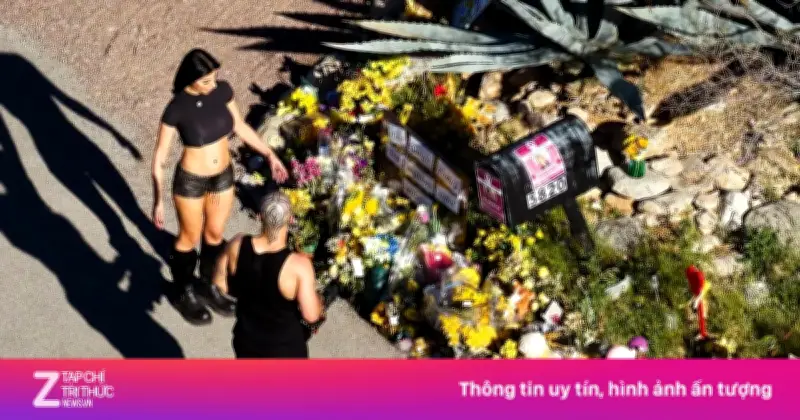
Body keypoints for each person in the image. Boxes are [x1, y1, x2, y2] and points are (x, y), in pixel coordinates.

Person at [151, 48, 289, 325]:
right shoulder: (177, 108)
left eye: (214, 77)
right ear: (189, 80)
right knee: (188, 238)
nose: (212, 85)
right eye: (206, 81)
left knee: (214, 234)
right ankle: (183, 291)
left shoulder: (223, 91)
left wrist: (269, 154)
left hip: (223, 176)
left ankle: (208, 284)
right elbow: (160, 157)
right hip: (191, 180)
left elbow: (240, 126)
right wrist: (158, 200)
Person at [213, 191, 323, 358]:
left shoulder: (237, 243)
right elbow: (311, 315)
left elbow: (219, 283)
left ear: (260, 216)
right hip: (284, 349)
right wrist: (320, 302)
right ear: (290, 219)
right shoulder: (298, 266)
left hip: (246, 339)